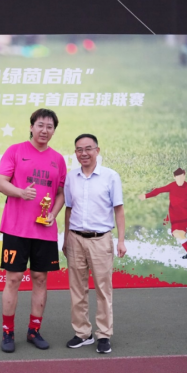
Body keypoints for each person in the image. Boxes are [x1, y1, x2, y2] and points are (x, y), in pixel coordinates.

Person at [0, 108, 67, 353]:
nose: (44, 130)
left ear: (54, 131)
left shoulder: (58, 159)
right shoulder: (15, 151)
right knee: (14, 279)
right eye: (40, 125)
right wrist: (20, 192)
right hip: (15, 228)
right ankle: (8, 333)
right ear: (31, 127)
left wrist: (53, 213)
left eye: (49, 127)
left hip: (44, 231)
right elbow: (1, 183)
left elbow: (60, 193)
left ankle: (34, 331)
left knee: (40, 279)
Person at [63, 134, 127, 354]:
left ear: (97, 151)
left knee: (103, 289)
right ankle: (82, 333)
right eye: (79, 149)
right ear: (75, 153)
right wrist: (65, 239)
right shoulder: (71, 177)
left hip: (101, 239)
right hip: (75, 238)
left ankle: (104, 334)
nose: (84, 153)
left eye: (88, 149)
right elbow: (68, 209)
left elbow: (119, 209)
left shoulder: (110, 176)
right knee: (77, 289)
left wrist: (121, 240)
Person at [138, 168, 187, 259]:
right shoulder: (172, 186)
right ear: (174, 177)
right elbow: (158, 190)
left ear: (184, 176)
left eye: (181, 177)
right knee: (177, 234)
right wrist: (146, 196)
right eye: (177, 177)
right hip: (176, 219)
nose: (179, 179)